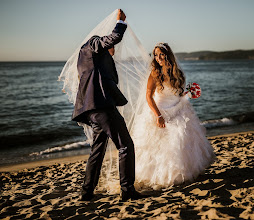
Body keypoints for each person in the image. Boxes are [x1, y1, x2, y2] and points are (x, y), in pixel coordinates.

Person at [71, 9, 141, 201]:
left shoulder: (88, 58)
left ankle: (87, 192)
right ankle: (127, 190)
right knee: (126, 145)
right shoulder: (93, 43)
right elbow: (113, 38)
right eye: (112, 49)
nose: (114, 52)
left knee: (97, 149)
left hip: (92, 109)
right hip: (102, 107)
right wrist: (120, 22)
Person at [131, 43, 215, 189]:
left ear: (168, 54)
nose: (158, 58)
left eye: (161, 54)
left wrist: (188, 93)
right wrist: (158, 115)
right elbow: (148, 97)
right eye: (156, 55)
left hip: (178, 109)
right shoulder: (154, 73)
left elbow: (177, 93)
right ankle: (161, 175)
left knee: (181, 139)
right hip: (160, 111)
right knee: (161, 144)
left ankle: (181, 173)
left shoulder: (177, 73)